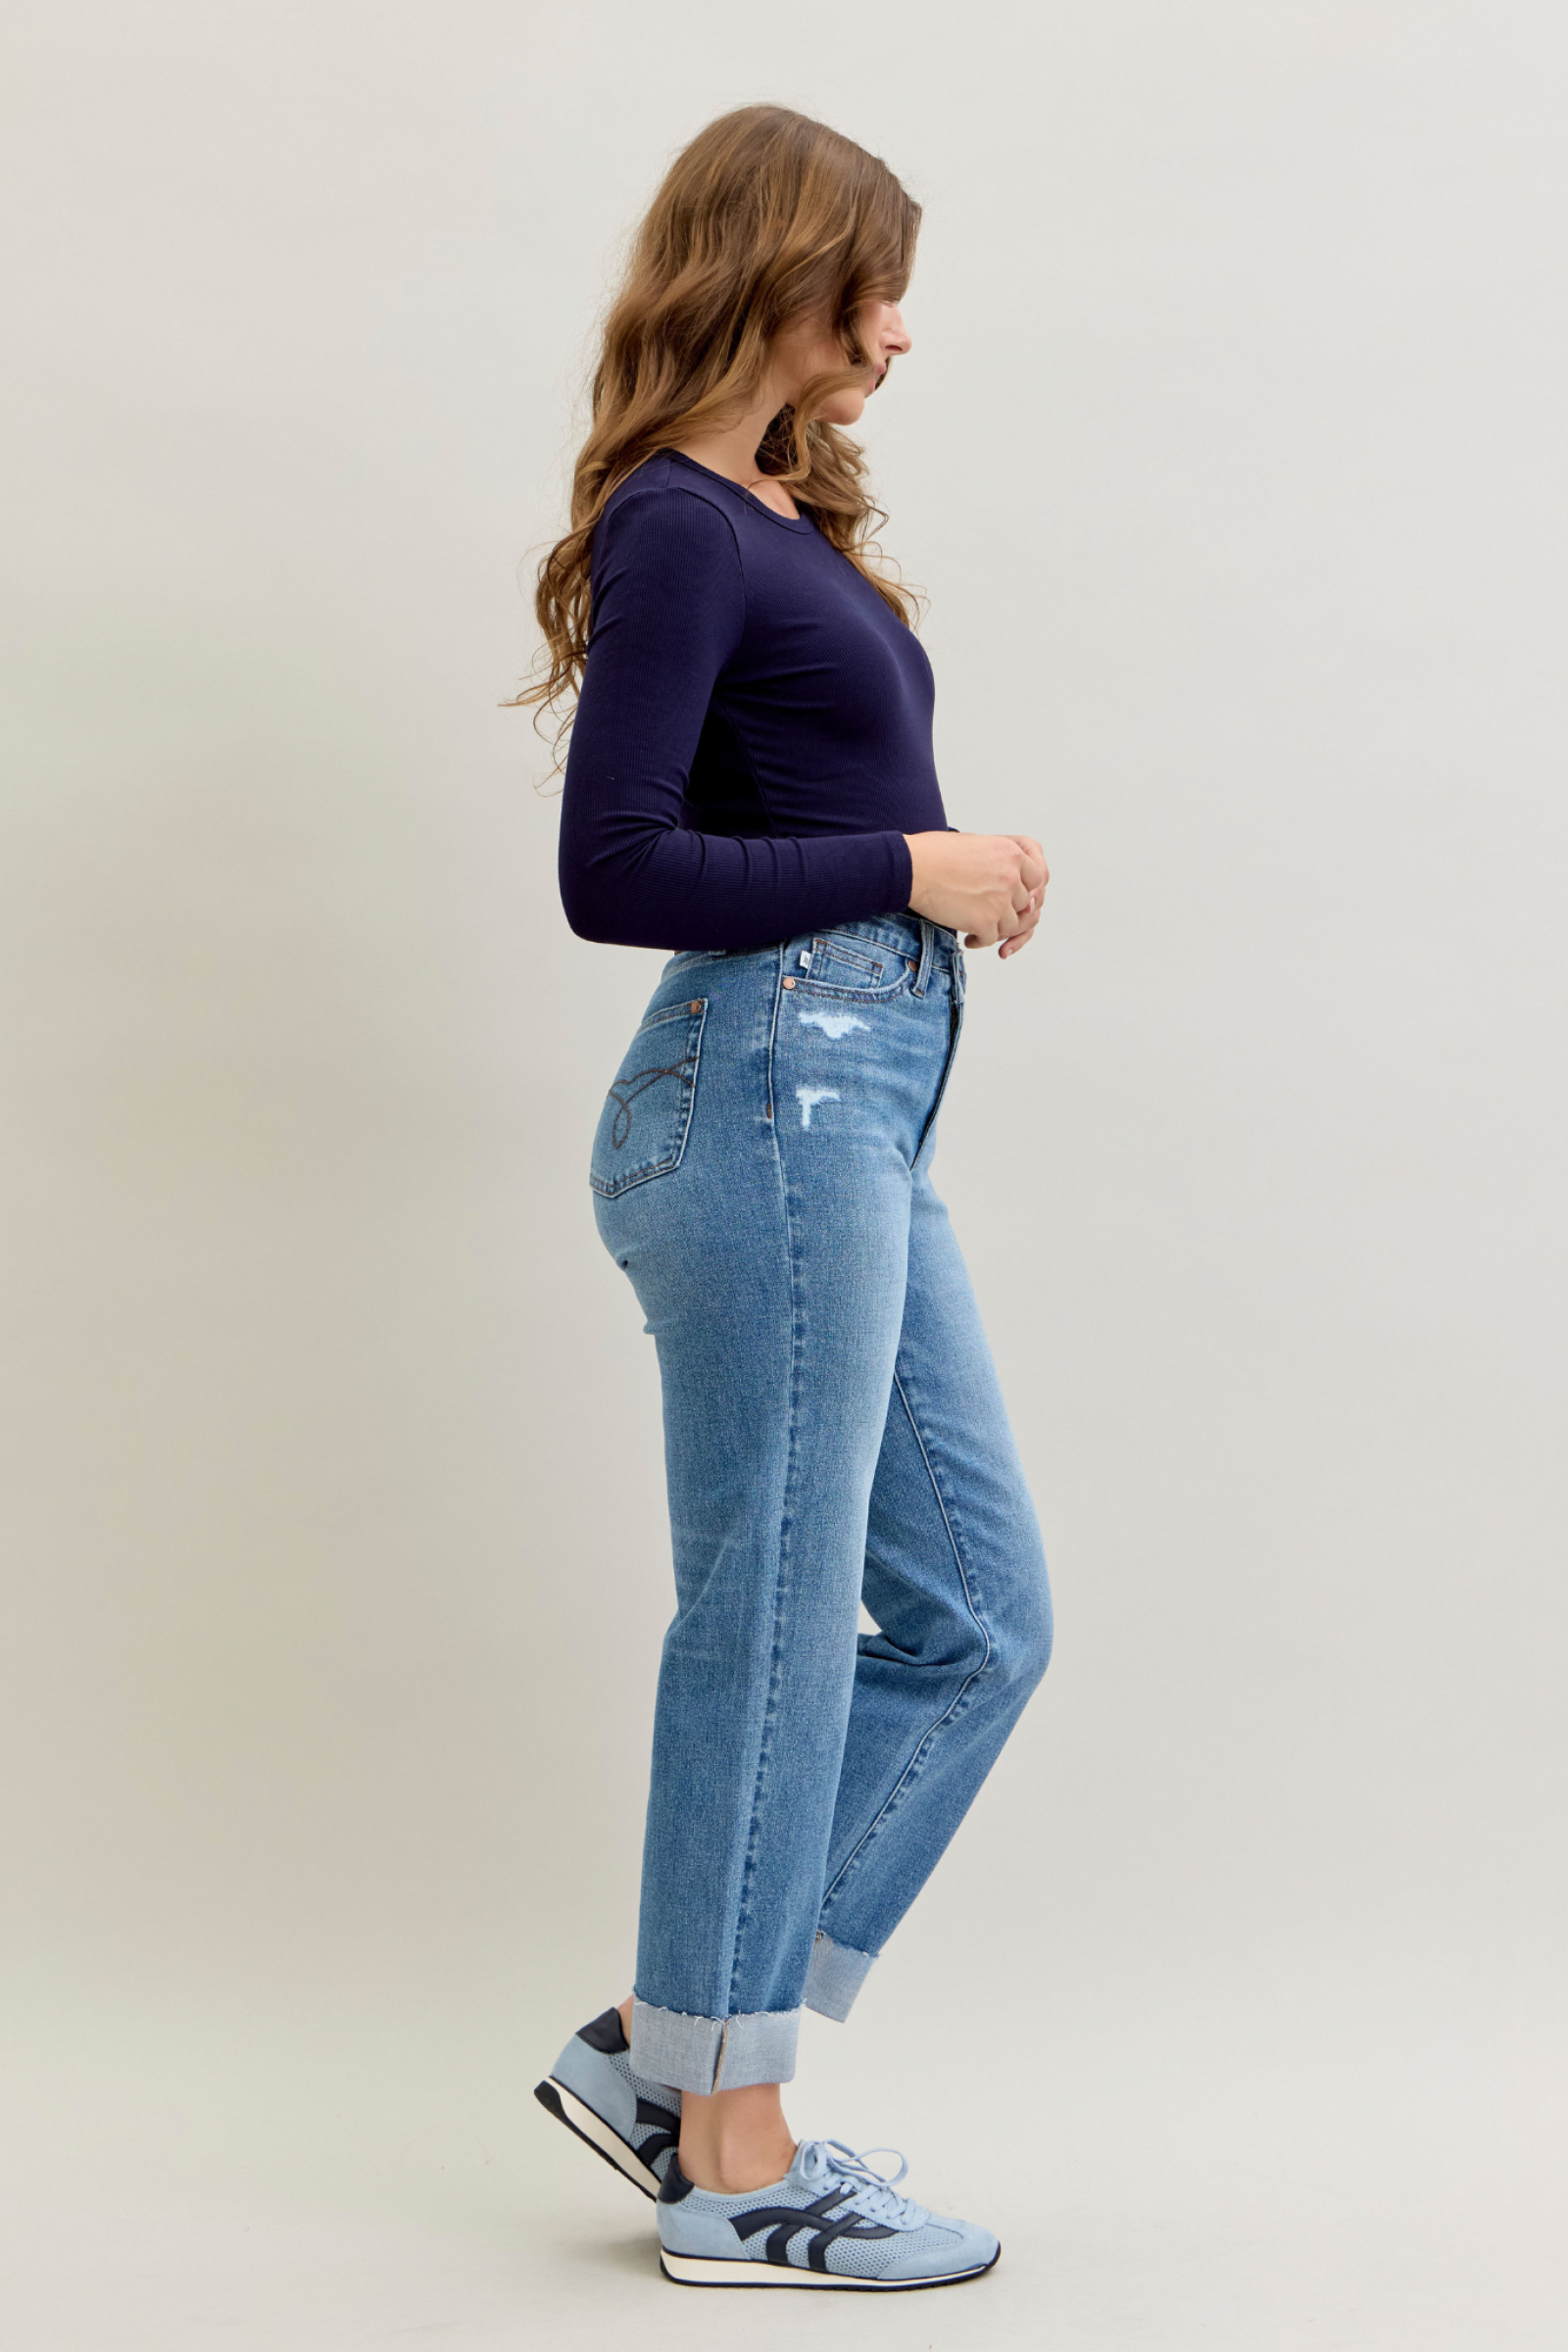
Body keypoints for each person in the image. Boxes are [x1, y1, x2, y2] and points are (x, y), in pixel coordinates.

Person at [523, 104, 1054, 2292]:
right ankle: (735, 2160)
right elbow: (612, 867)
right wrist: (913, 866)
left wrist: (926, 894)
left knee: (979, 1620)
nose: (899, 332)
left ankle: (667, 2050)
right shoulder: (675, 522)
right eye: (875, 285)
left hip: (851, 1105)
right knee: (771, 1614)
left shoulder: (773, 520)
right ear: (779, 268)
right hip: (763, 1093)